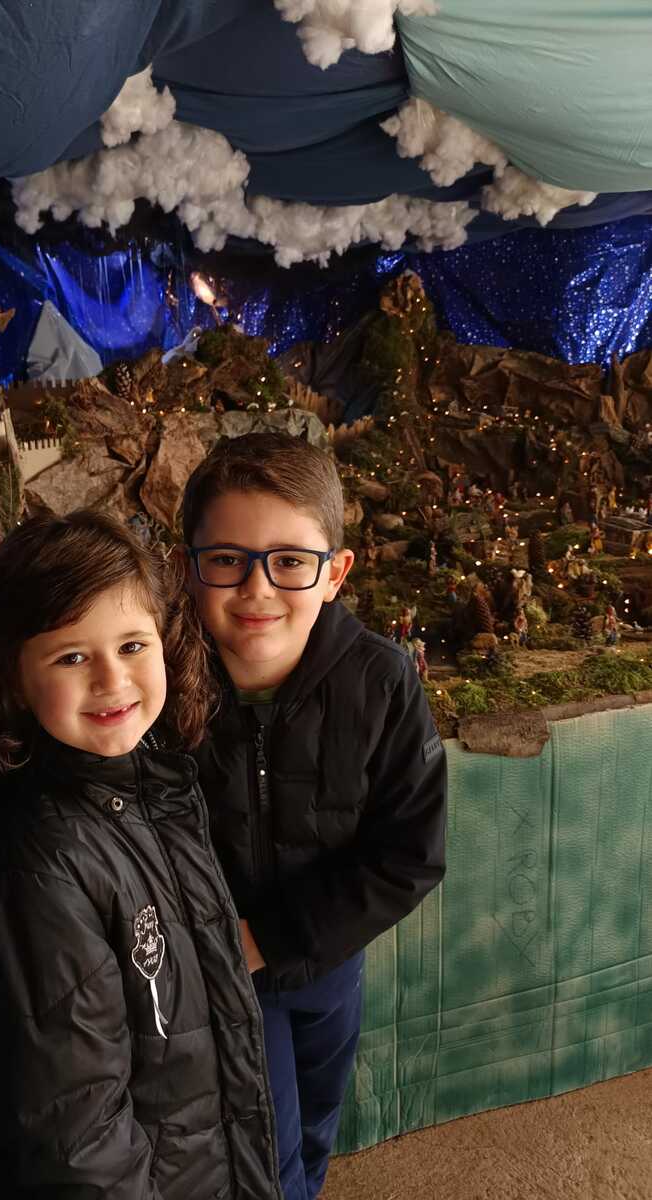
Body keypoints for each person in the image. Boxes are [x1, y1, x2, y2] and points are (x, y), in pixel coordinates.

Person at [0, 510, 281, 1200]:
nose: (111, 679)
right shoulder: (43, 865)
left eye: (132, 645)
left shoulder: (155, 788)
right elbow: (78, 1133)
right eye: (71, 657)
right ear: (14, 677)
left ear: (164, 642)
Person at [181, 433, 447, 1200]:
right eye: (226, 559)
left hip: (330, 962)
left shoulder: (382, 680)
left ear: (335, 573)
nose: (257, 589)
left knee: (318, 1121)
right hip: (219, 974)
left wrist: (273, 937)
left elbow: (412, 851)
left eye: (290, 561)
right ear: (188, 566)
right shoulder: (163, 686)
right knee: (267, 1158)